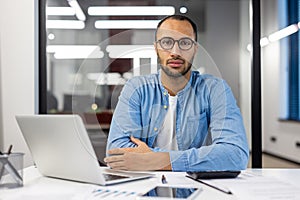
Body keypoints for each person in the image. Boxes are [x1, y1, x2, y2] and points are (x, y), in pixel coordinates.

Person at [104, 15, 249, 171]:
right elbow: (116, 153)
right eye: (166, 42)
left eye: (185, 43)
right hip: (146, 192)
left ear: (195, 48)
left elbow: (235, 154)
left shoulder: (215, 89)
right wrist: (191, 160)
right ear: (156, 48)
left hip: (197, 191)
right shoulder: (136, 88)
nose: (175, 51)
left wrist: (156, 160)